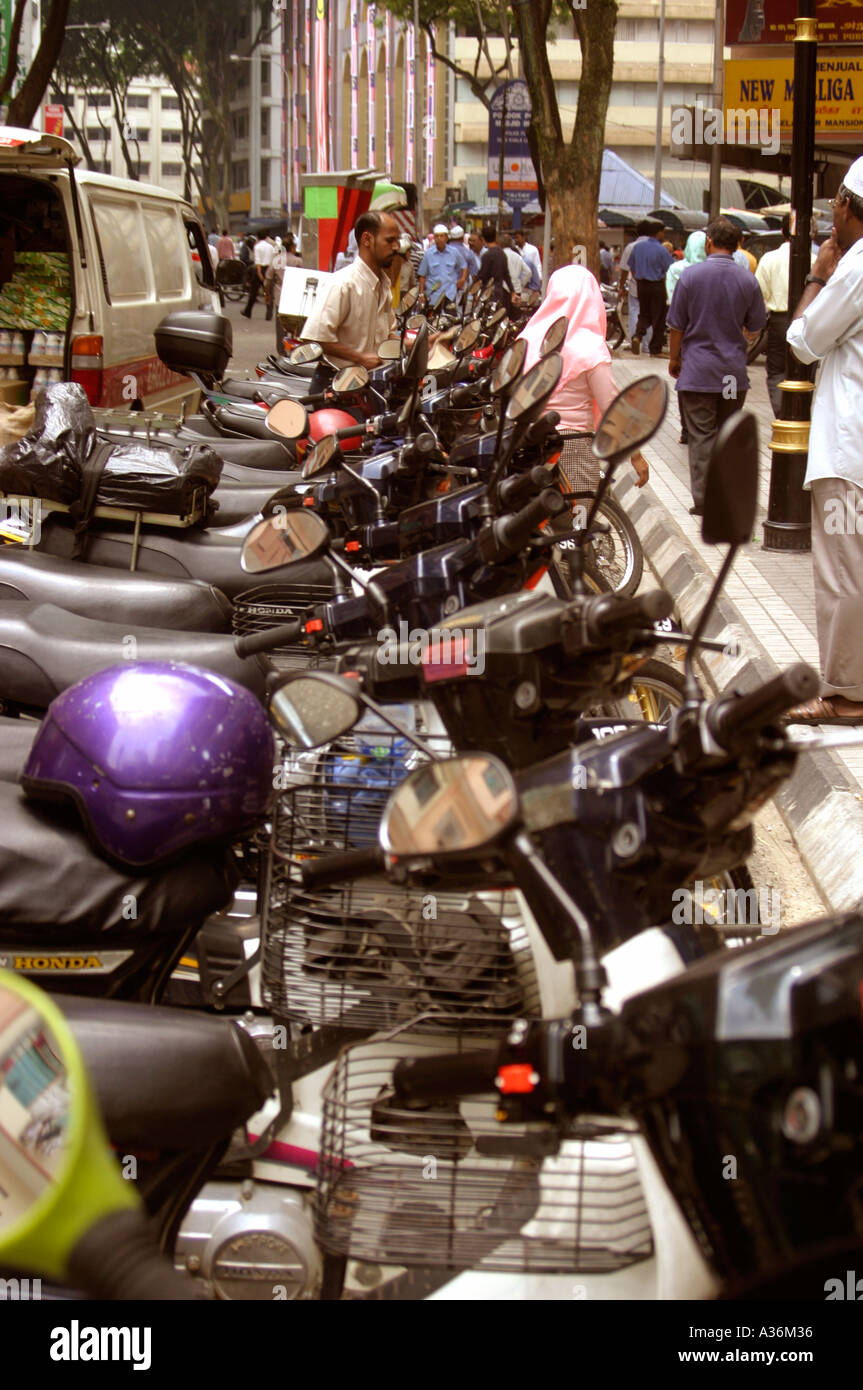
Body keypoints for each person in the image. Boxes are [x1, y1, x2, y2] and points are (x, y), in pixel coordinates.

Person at [784, 159, 863, 724]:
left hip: (848, 448)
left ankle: (845, 694)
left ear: (845, 203)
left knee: (842, 574)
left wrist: (816, 274)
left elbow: (802, 340)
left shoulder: (855, 267)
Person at [516, 265, 649, 510]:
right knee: (578, 524)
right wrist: (636, 455)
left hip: (526, 443)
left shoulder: (528, 338)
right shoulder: (590, 345)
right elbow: (612, 405)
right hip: (572, 447)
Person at [666, 216, 767, 516]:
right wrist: (738, 344)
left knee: (701, 436)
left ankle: (705, 500)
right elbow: (757, 326)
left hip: (697, 372)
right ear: (738, 246)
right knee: (727, 435)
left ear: (709, 242)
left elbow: (676, 325)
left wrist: (674, 358)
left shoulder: (690, 277)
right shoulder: (748, 279)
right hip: (732, 375)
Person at [300, 209, 399, 369]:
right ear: (367, 239)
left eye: (397, 240)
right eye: (390, 240)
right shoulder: (342, 284)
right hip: (336, 384)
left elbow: (389, 336)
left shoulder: (384, 285)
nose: (396, 247)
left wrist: (425, 342)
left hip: (370, 383)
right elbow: (315, 337)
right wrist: (360, 358)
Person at [755, 214, 815, 416]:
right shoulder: (814, 260)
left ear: (782, 232)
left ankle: (783, 414)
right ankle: (800, 413)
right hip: (807, 322)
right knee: (806, 369)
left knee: (776, 371)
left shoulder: (769, 259)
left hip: (779, 321)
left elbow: (759, 294)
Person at [666, 230, 707, 445]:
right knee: (725, 389)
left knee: (686, 385)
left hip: (688, 340)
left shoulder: (678, 270)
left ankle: (687, 429)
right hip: (721, 351)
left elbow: (674, 315)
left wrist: (674, 357)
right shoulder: (717, 273)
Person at [629, 222, 674, 355]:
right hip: (656, 285)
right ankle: (655, 348)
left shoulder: (638, 247)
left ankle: (637, 335)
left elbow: (631, 266)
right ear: (658, 233)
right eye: (662, 232)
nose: (663, 235)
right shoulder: (661, 249)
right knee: (659, 317)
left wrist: (638, 277)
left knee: (644, 313)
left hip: (641, 284)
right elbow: (670, 268)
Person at [617, 219, 660, 352]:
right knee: (650, 315)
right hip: (654, 285)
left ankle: (635, 339)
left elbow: (624, 269)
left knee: (635, 312)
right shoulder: (657, 246)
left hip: (636, 286)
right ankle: (647, 346)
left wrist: (621, 286)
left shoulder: (631, 247)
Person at [418, 223, 467, 308]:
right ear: (434, 238)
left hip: (449, 295)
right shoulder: (428, 254)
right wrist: (421, 294)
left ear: (446, 237)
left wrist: (462, 279)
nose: (439, 239)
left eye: (442, 236)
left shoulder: (454, 252)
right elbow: (422, 275)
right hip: (433, 296)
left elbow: (464, 266)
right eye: (437, 236)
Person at [477, 222, 513, 314]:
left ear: (483, 239)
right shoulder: (502, 254)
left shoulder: (486, 256)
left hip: (488, 294)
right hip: (500, 292)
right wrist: (513, 291)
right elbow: (507, 275)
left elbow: (482, 276)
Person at [241, 232, 275, 318]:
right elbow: (272, 260)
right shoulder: (271, 247)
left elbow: (258, 262)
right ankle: (269, 313)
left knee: (253, 292)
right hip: (268, 269)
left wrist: (259, 273)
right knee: (268, 292)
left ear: (258, 237)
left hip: (259, 270)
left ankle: (248, 311)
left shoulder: (257, 247)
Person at [501, 233, 532, 301]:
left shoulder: (500, 255)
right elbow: (528, 272)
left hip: (503, 289)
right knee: (515, 310)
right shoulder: (517, 256)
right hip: (517, 289)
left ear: (501, 244)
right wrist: (521, 283)